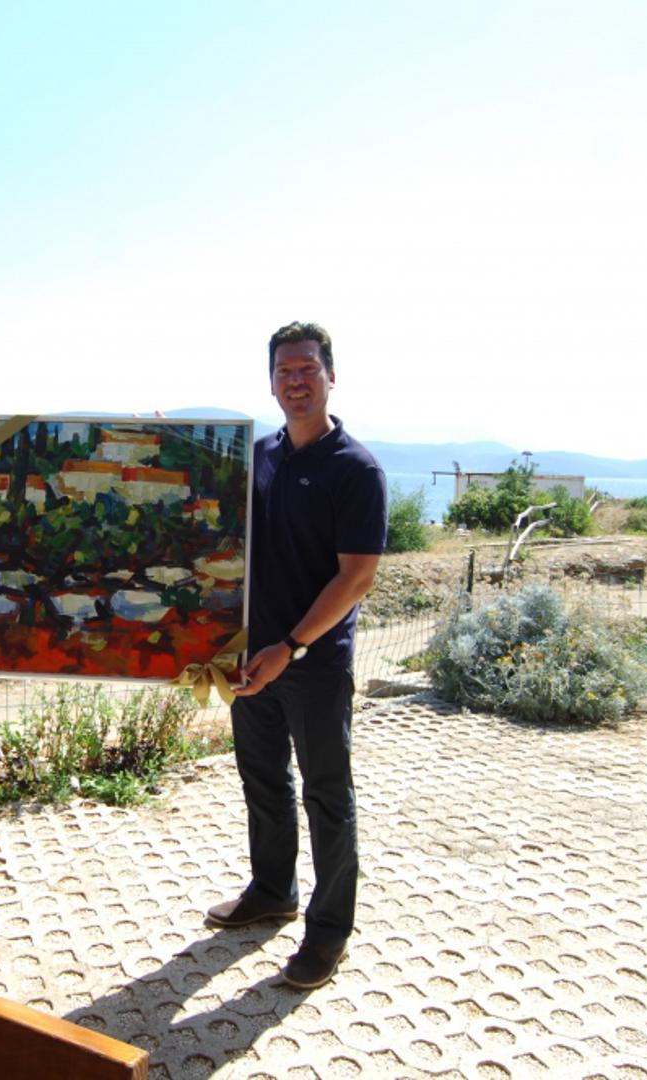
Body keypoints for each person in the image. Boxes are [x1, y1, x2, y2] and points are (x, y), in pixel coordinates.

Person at [206, 321, 387, 990]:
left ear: (330, 376)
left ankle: (328, 932)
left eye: (307, 368)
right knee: (262, 779)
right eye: (284, 371)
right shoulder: (259, 456)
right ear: (271, 382)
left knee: (326, 794)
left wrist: (291, 646)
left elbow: (356, 577)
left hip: (312, 662)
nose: (296, 381)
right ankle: (271, 891)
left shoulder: (356, 469)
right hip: (251, 656)